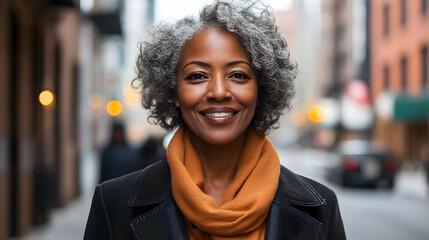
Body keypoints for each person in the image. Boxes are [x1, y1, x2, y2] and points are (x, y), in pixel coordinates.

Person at [84, 1, 346, 239]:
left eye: (238, 75)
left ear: (261, 88)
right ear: (174, 92)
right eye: (197, 76)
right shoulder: (113, 204)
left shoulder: (321, 207)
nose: (219, 92)